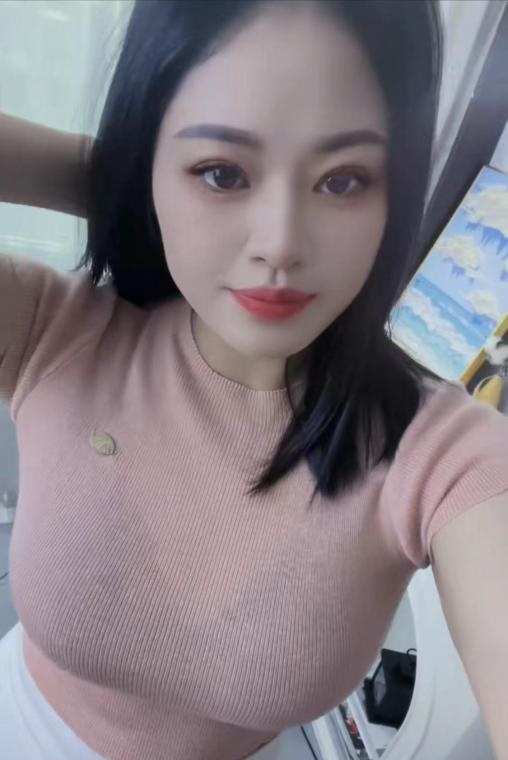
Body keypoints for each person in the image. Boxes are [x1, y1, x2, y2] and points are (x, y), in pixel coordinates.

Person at [0, 1, 507, 759]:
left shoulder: (442, 453)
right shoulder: (51, 329)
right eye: (223, 172)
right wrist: (122, 189)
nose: (280, 244)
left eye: (343, 181)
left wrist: (192, 178)